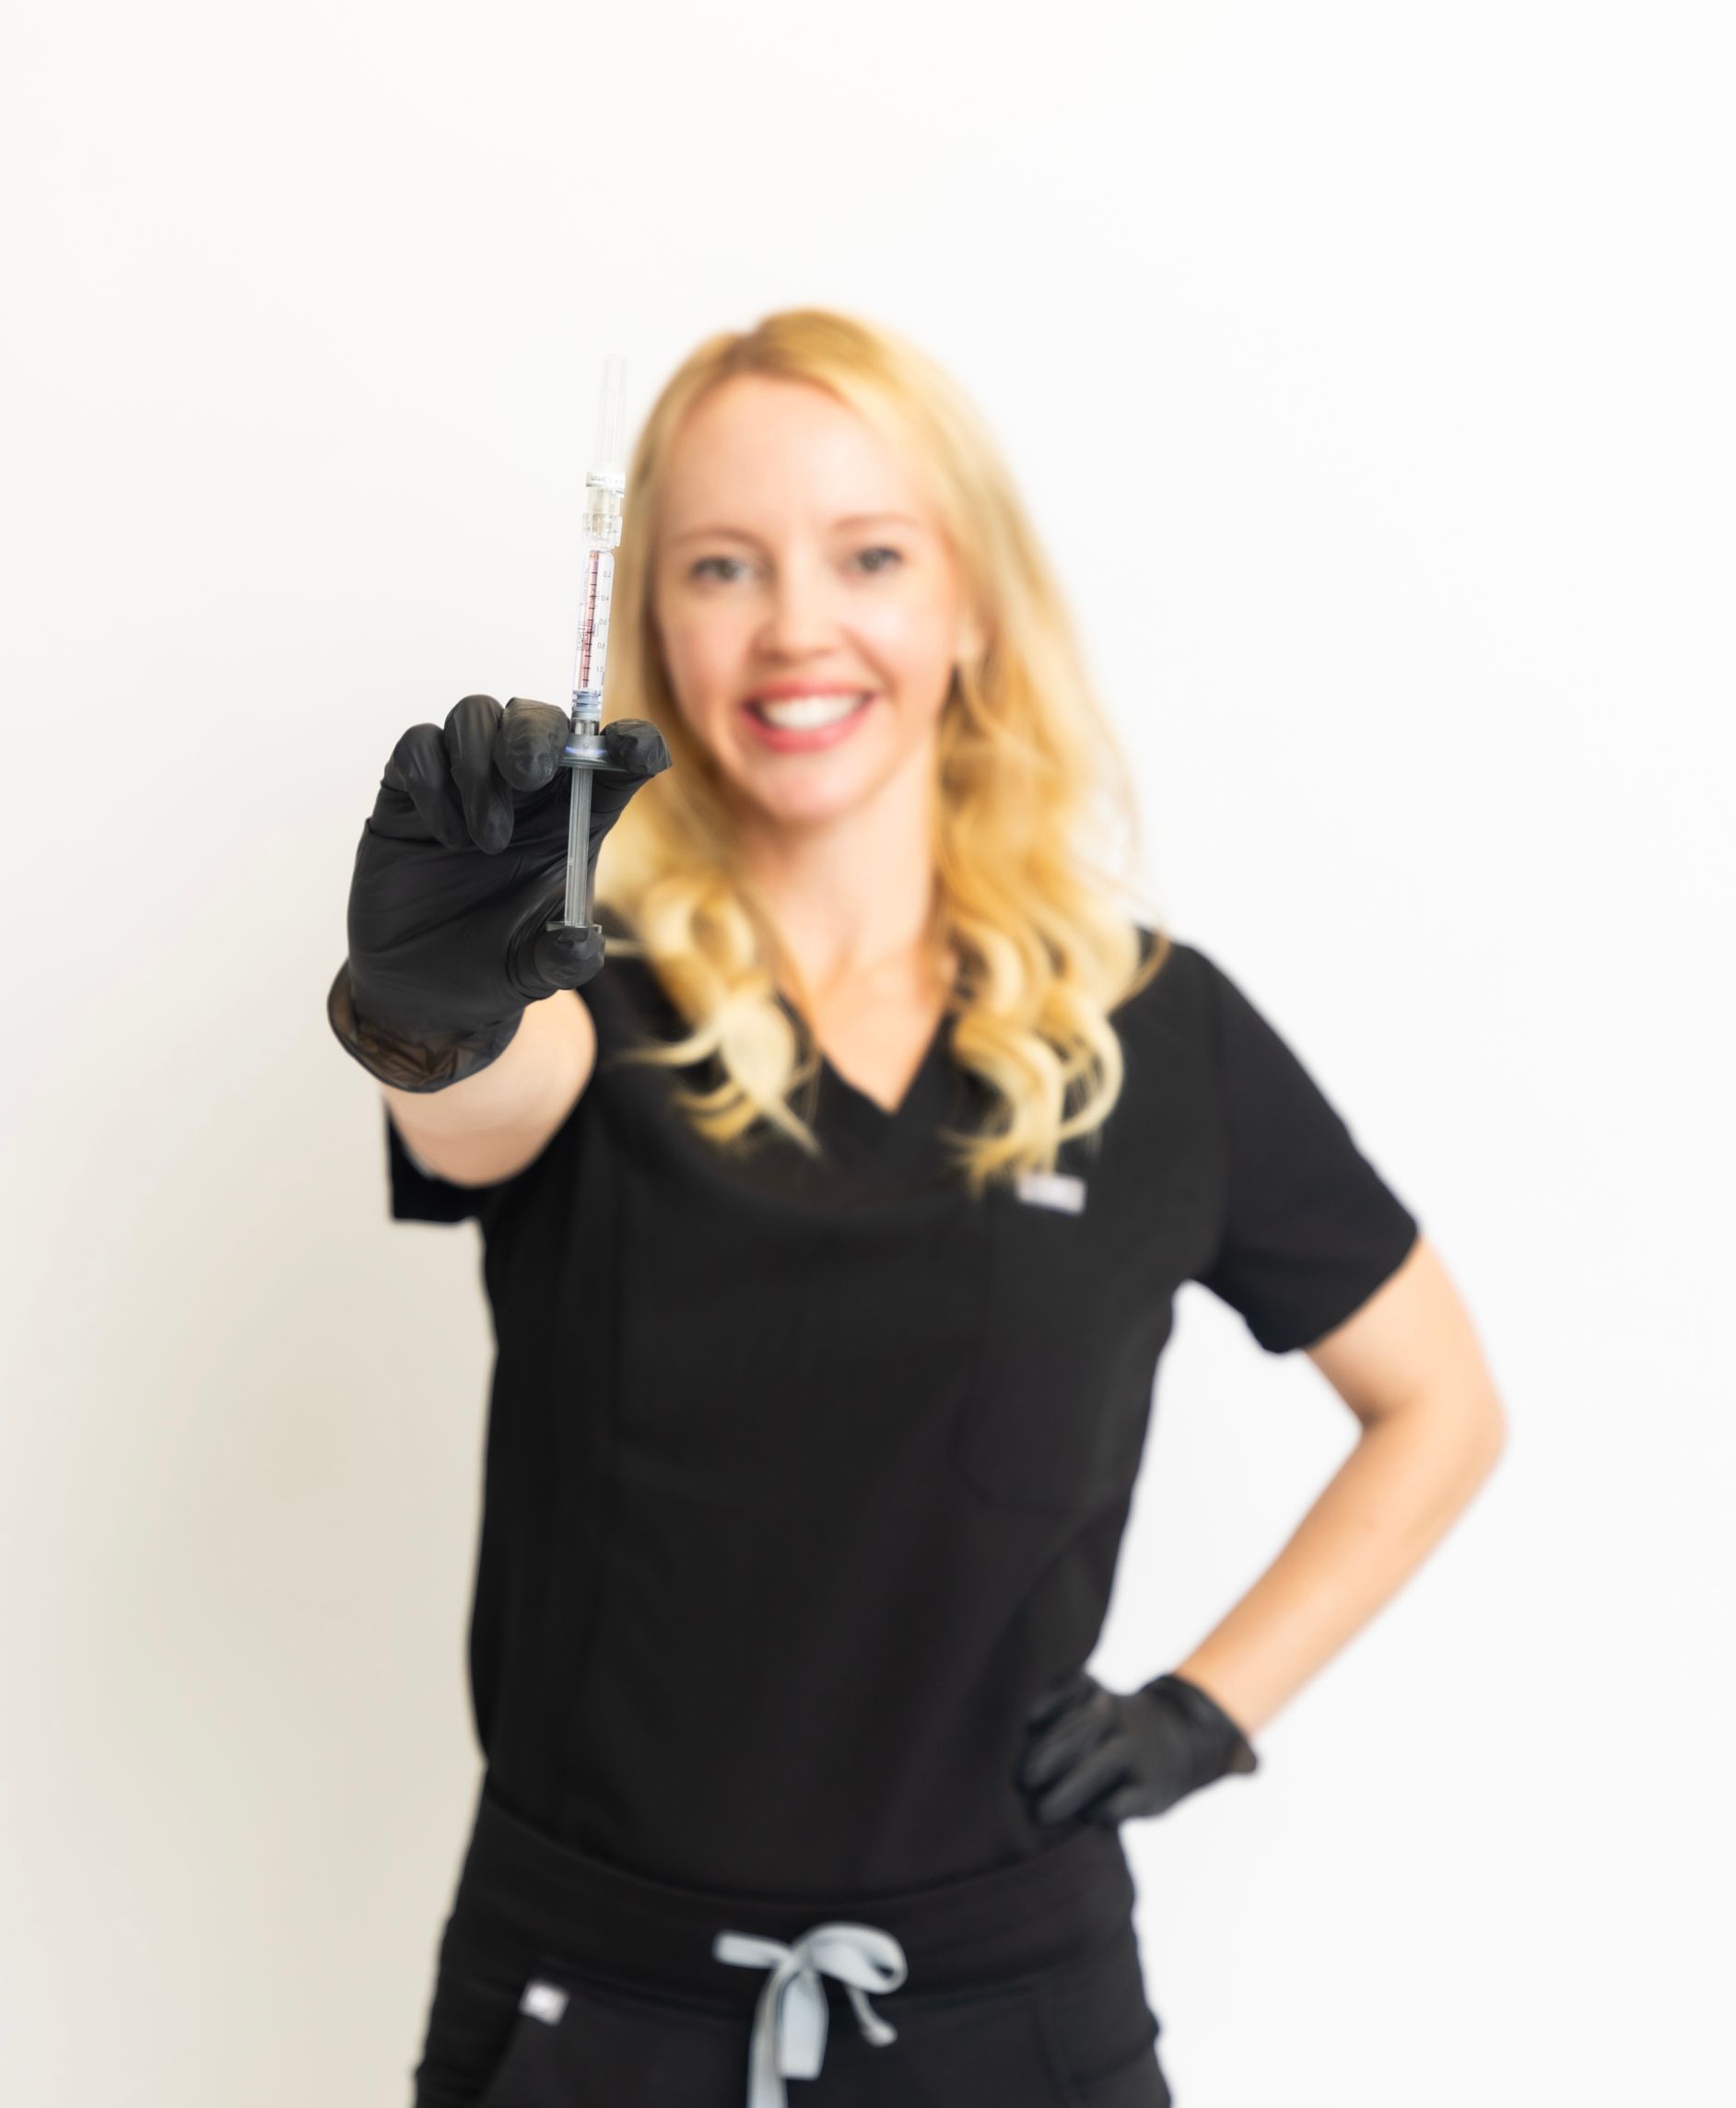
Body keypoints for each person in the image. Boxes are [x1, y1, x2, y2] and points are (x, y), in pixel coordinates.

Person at [327, 309, 1506, 2108]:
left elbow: (1439, 1399)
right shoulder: (586, 995)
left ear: (970, 606)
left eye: (868, 555)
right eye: (725, 564)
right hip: (588, 2012)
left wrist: (1203, 1713)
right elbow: (480, 1107)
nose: (798, 622)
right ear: (652, 623)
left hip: (1007, 2019)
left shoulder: (1153, 1030)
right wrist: (427, 1007)